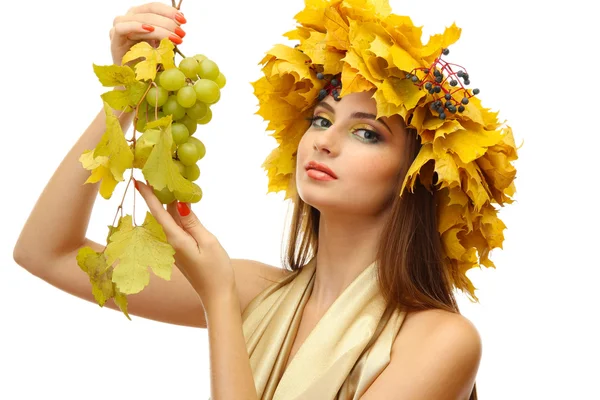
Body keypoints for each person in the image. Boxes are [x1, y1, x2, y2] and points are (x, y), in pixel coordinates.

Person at [13, 1, 518, 399]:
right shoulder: (258, 290)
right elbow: (45, 252)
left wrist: (217, 300)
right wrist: (129, 92)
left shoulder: (442, 342)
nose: (324, 140)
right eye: (322, 119)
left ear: (418, 178)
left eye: (367, 134)